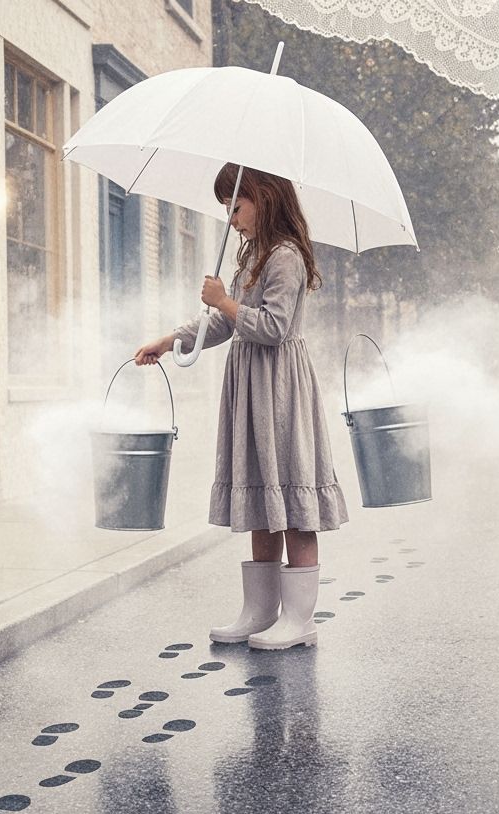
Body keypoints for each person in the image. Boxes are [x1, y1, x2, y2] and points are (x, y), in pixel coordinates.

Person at [134, 164, 348, 651]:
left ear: (265, 198)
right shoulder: (253, 255)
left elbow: (271, 327)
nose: (230, 218)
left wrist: (227, 301)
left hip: (281, 393)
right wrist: (170, 341)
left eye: (236, 206)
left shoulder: (287, 256)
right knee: (261, 499)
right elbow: (224, 326)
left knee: (293, 502)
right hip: (251, 390)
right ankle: (259, 612)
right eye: (226, 209)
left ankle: (299, 619)